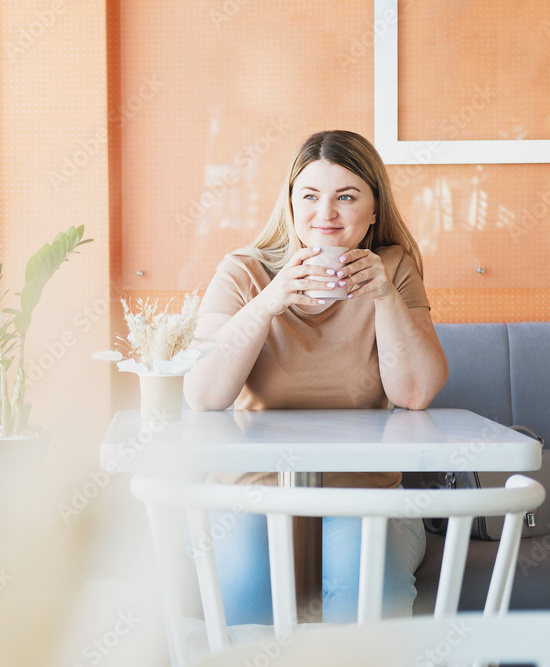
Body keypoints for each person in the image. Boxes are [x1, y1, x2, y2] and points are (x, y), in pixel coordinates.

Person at [184, 129, 448, 624]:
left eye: (346, 197)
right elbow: (202, 394)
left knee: (364, 602)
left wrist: (385, 296)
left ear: (372, 209)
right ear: (289, 203)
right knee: (247, 603)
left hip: (364, 493)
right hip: (249, 491)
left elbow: (414, 394)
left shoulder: (394, 269)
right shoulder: (243, 272)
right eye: (310, 196)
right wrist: (269, 302)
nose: (325, 214)